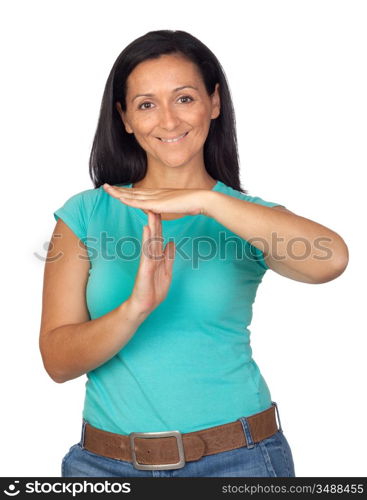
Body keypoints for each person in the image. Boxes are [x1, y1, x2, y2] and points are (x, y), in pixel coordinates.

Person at [39, 30, 349, 478]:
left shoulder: (247, 218)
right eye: (146, 104)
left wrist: (208, 200)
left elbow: (332, 260)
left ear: (214, 103)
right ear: (125, 119)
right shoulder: (86, 213)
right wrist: (134, 309)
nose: (168, 120)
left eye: (184, 98)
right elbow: (57, 361)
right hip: (104, 467)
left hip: (239, 461)